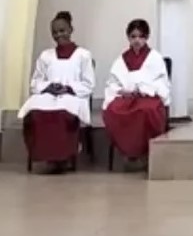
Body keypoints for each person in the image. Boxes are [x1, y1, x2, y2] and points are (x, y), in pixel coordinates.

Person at [17, 11, 95, 174]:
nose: (59, 35)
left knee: (62, 115)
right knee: (35, 114)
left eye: (62, 30)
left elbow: (88, 84)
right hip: (49, 95)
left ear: (71, 30)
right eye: (55, 32)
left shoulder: (83, 55)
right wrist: (48, 86)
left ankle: (63, 157)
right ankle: (45, 156)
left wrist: (68, 88)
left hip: (72, 96)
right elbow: (35, 82)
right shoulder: (46, 56)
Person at [102, 19, 171, 170]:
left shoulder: (155, 58)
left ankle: (143, 154)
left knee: (147, 110)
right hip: (127, 97)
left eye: (141, 36)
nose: (137, 40)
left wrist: (143, 89)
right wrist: (122, 90)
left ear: (147, 37)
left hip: (147, 96)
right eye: (133, 36)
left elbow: (161, 83)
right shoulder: (121, 60)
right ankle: (129, 154)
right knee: (114, 110)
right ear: (128, 37)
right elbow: (112, 83)